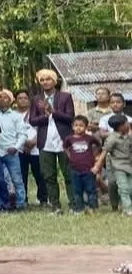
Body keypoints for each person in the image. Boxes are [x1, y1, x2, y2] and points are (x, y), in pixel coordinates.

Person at [30, 69, 75, 214]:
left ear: (54, 81)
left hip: (63, 140)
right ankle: (55, 206)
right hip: (45, 141)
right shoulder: (36, 99)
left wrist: (53, 112)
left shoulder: (65, 97)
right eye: (42, 80)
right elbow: (32, 120)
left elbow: (70, 118)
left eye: (48, 79)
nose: (45, 82)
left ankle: (74, 204)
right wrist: (45, 115)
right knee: (48, 175)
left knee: (68, 173)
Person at [0, 90, 28, 210]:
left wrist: (16, 147)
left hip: (11, 152)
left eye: (5, 97)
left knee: (17, 179)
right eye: (0, 97)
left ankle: (21, 203)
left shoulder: (16, 116)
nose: (2, 99)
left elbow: (23, 134)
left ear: (11, 100)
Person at [15, 90, 46, 207]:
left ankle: (43, 198)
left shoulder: (36, 113)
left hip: (36, 147)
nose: (22, 100)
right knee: (21, 175)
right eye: (20, 98)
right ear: (15, 100)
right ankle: (24, 199)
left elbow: (42, 128)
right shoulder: (13, 114)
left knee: (39, 174)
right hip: (20, 148)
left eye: (25, 98)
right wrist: (23, 143)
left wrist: (34, 141)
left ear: (29, 100)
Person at [64, 116, 101, 214]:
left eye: (81, 125)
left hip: (88, 169)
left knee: (91, 189)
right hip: (74, 169)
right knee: (77, 190)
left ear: (86, 127)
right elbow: (65, 147)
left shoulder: (89, 138)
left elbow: (99, 145)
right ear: (72, 127)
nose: (78, 128)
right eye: (76, 125)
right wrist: (70, 155)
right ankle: (79, 209)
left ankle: (92, 208)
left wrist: (94, 155)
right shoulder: (69, 138)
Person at [97, 114, 132, 215]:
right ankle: (126, 209)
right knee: (122, 187)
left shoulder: (128, 137)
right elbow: (104, 152)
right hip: (117, 166)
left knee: (130, 187)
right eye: (126, 123)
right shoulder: (112, 138)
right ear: (120, 126)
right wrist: (97, 166)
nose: (128, 124)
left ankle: (125, 206)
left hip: (128, 165)